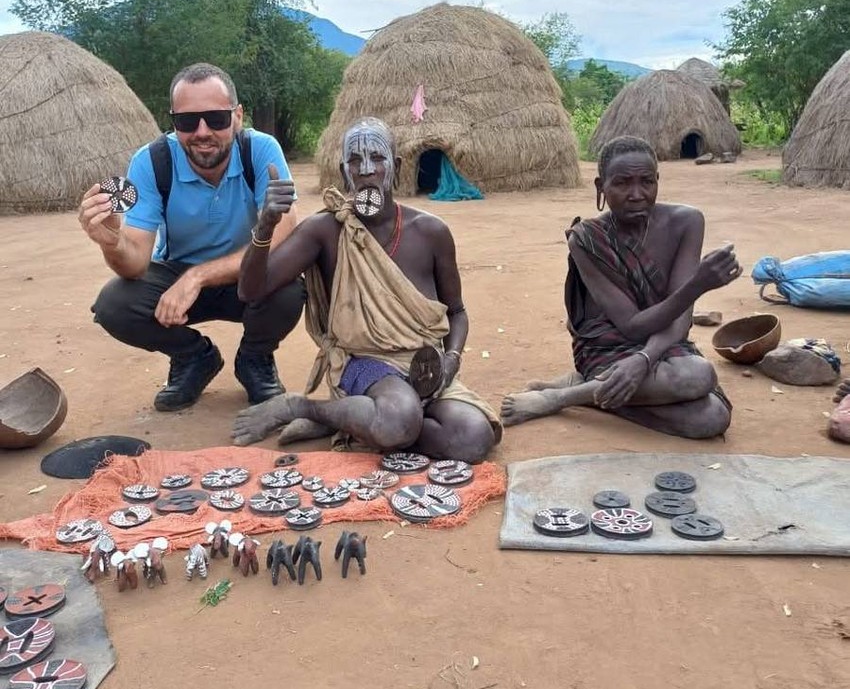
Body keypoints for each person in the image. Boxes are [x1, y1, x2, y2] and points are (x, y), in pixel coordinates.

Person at [230, 118, 501, 462]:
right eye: (355, 160)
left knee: (473, 438)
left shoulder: (430, 232)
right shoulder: (325, 230)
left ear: (397, 166)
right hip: (363, 363)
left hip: (425, 367)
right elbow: (251, 290)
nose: (367, 169)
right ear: (344, 172)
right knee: (399, 417)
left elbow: (457, 312)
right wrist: (266, 225)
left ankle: (355, 420)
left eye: (378, 158)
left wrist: (450, 362)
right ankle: (303, 407)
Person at [79, 63, 305, 411]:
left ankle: (255, 358)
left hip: (245, 278)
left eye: (216, 118)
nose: (202, 132)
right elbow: (135, 263)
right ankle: (194, 356)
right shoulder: (152, 161)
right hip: (176, 277)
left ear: (237, 116)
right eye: (187, 121)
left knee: (289, 287)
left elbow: (282, 235)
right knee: (114, 305)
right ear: (173, 122)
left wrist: (198, 277)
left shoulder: (261, 150)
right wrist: (112, 243)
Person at [500, 135, 741, 438]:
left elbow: (680, 320)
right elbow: (632, 326)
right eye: (622, 183)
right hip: (608, 346)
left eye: (646, 182)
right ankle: (559, 398)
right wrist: (697, 285)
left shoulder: (687, 222)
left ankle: (587, 393)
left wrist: (644, 359)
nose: (636, 194)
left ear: (657, 180)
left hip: (664, 341)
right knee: (699, 374)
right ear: (601, 187)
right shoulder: (586, 239)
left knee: (712, 418)